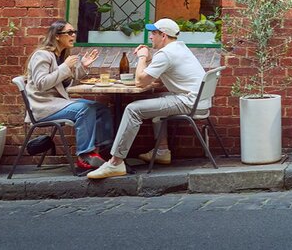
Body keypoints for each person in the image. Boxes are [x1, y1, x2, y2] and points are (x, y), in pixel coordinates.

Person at [87, 18, 206, 179]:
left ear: (163, 35)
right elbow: (155, 78)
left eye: (153, 33)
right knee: (156, 100)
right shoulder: (179, 48)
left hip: (187, 102)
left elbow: (139, 81)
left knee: (133, 109)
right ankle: (162, 151)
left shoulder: (166, 53)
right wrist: (150, 60)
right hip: (196, 101)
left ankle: (115, 162)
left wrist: (142, 57)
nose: (150, 37)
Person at [24, 20, 113, 171]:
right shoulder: (42, 55)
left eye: (74, 32)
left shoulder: (60, 55)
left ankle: (100, 150)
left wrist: (83, 66)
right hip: (43, 107)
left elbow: (64, 82)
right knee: (85, 109)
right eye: (69, 33)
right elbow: (41, 83)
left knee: (100, 109)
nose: (73, 35)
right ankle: (84, 155)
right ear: (57, 36)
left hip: (57, 103)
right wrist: (65, 66)